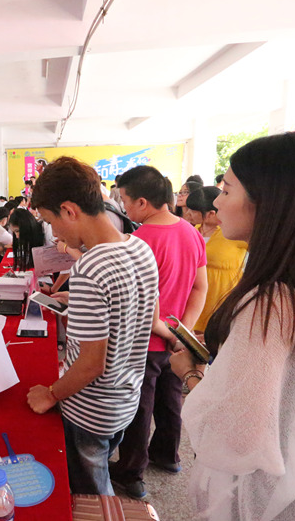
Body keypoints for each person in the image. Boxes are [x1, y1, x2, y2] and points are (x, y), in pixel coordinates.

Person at [169, 131, 295, 520]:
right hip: (279, 490)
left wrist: (189, 374)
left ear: (270, 202)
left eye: (227, 190)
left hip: (245, 498)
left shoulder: (270, 303)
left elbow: (238, 435)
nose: (217, 202)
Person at [25, 156, 159, 495]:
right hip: (125, 399)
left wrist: (50, 394)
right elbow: (139, 311)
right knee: (99, 467)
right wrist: (80, 301)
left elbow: (91, 364)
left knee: (92, 495)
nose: (55, 234)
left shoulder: (90, 267)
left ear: (69, 211)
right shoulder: (140, 247)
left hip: (90, 409)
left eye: (51, 222)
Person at [111, 165, 207, 499]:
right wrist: (182, 332)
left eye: (125, 200)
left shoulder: (139, 241)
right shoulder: (191, 232)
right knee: (170, 399)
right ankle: (167, 455)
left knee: (141, 405)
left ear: (142, 202)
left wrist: (165, 331)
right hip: (177, 340)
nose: (123, 208)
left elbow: (140, 303)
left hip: (146, 340)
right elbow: (200, 287)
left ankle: (131, 472)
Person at [185, 186, 247, 333]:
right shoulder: (191, 231)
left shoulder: (234, 233)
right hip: (192, 299)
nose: (188, 213)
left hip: (220, 299)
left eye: (193, 210)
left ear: (211, 213)